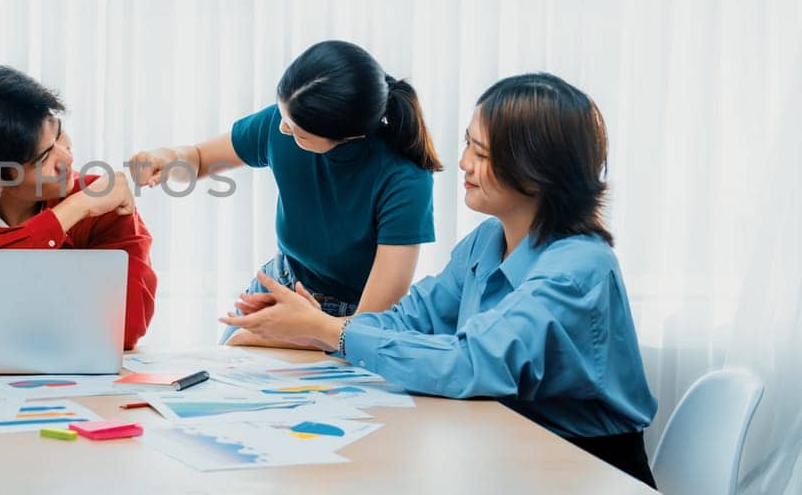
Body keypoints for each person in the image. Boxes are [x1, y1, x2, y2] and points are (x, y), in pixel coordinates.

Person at [220, 72, 657, 486]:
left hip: (588, 468)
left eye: (482, 154)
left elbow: (472, 363)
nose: (463, 163)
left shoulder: (579, 268)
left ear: (536, 172)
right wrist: (311, 330)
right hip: (513, 447)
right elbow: (413, 318)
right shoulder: (488, 240)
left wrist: (328, 330)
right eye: (469, 143)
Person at [128, 40, 441, 346]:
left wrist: (300, 331)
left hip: (348, 323)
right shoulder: (286, 120)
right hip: (279, 289)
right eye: (284, 118)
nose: (283, 130)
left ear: (349, 135)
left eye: (298, 131)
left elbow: (370, 330)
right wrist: (168, 156)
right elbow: (198, 158)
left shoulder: (406, 179)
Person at [0, 65, 157, 349]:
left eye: (57, 132)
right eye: (44, 156)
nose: (67, 158)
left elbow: (125, 326)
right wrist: (71, 212)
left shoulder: (105, 201)